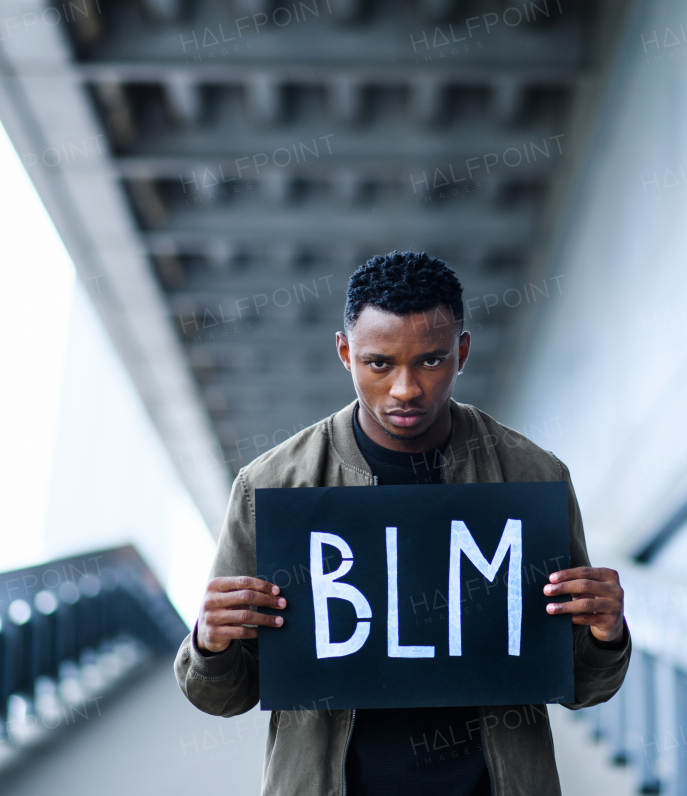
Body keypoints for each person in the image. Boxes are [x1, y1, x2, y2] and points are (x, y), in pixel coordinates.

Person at [175, 251, 630, 796]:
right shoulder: (272, 485)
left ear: (462, 352)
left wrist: (606, 634)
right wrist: (210, 644)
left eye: (431, 361)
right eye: (380, 363)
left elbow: (579, 685)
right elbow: (223, 695)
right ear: (345, 353)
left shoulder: (531, 476)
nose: (406, 389)